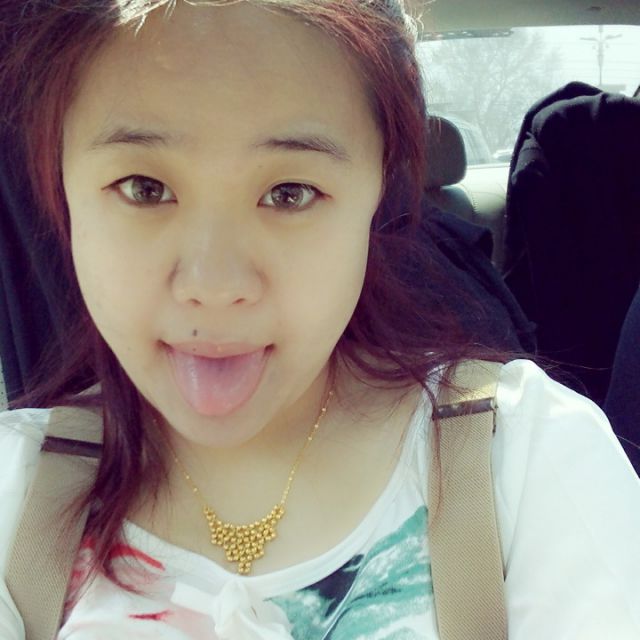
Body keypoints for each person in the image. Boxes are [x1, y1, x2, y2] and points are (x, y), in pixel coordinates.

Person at [0, 1, 638, 638]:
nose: (214, 287)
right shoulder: (14, 492)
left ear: (377, 194)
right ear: (62, 190)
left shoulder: (528, 465)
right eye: (144, 188)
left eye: (290, 194)